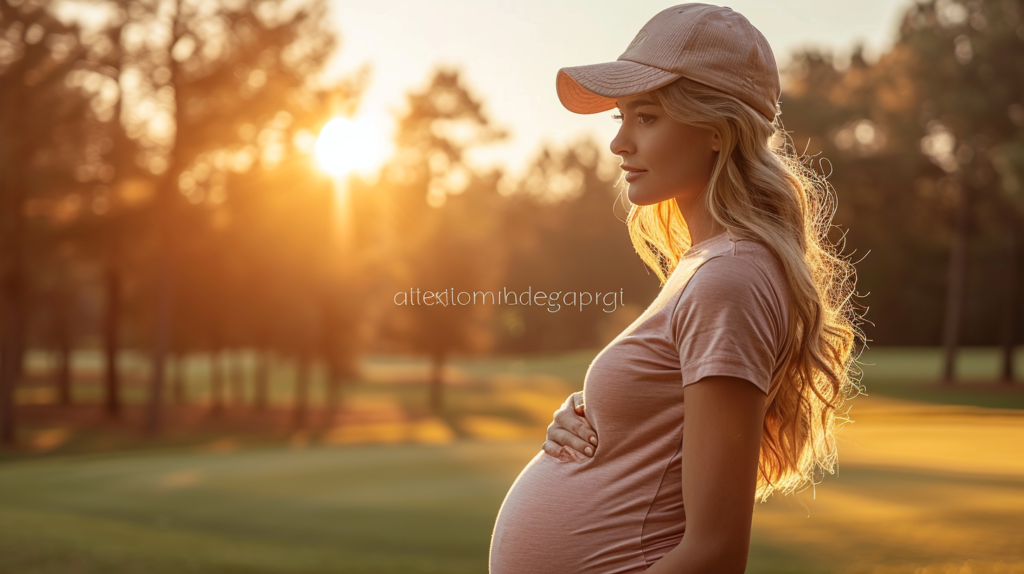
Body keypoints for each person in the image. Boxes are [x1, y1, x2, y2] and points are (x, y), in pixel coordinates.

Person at [488, 4, 867, 574]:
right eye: (618, 118)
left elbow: (715, 553)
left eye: (646, 117)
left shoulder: (731, 275)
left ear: (715, 130)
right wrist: (594, 423)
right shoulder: (704, 266)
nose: (619, 143)